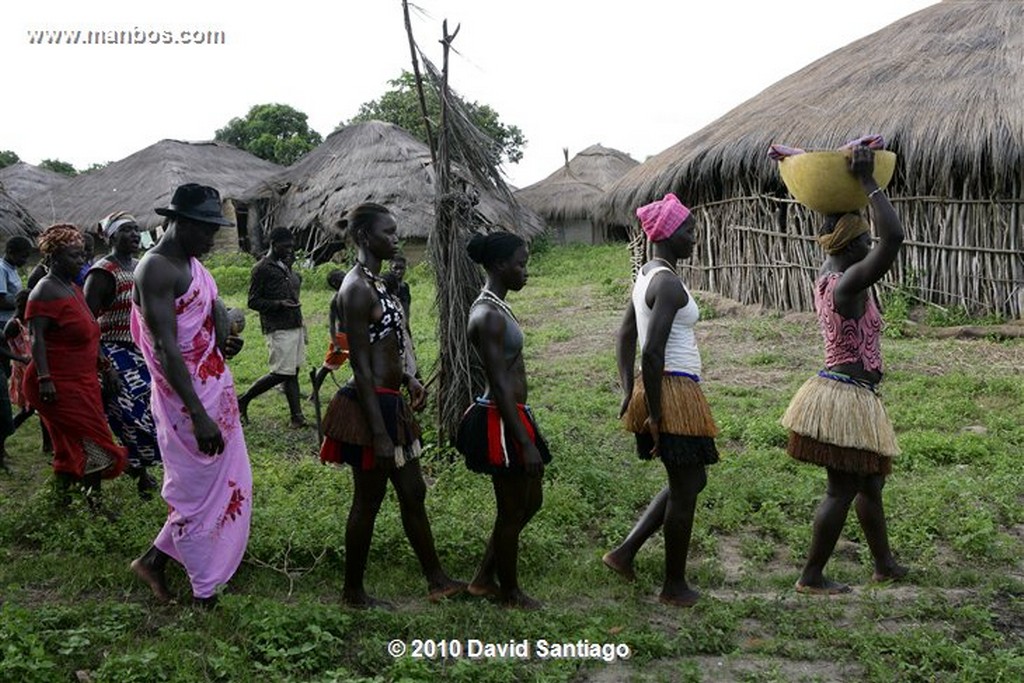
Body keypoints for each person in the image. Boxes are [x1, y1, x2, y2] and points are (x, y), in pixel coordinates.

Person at [319, 202, 464, 608]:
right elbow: (361, 366)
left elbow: (386, 349)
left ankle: (436, 579)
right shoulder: (355, 289)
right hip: (371, 407)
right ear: (365, 237)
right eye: (388, 233)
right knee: (368, 499)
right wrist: (379, 434)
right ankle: (352, 592)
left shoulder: (377, 283)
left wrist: (408, 377)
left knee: (413, 490)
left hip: (389, 399)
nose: (395, 239)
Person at [781, 146, 907, 594]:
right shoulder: (849, 283)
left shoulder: (830, 272)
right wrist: (870, 183)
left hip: (855, 393)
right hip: (847, 394)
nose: (871, 248)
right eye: (864, 243)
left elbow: (872, 236)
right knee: (842, 489)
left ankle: (884, 564)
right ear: (852, 245)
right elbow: (894, 239)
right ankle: (811, 575)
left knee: (870, 484)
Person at [129, 183, 251, 607]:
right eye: (205, 229)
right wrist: (198, 414)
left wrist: (223, 344)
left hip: (215, 388)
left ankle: (153, 562)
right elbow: (165, 346)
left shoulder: (191, 263)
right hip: (186, 401)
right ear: (180, 222)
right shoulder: (157, 268)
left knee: (226, 484)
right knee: (195, 492)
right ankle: (205, 589)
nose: (211, 238)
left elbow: (200, 325)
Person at [602, 194, 719, 607]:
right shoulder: (667, 283)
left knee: (690, 481)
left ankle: (624, 553)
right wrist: (652, 411)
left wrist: (625, 389)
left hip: (665, 389)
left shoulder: (647, 274)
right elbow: (650, 351)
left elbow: (624, 335)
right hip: (672, 391)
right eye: (688, 230)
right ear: (668, 234)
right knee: (686, 488)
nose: (694, 237)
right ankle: (673, 586)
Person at [457, 231, 550, 609]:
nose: (526, 272)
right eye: (520, 264)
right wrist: (524, 442)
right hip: (500, 417)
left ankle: (483, 578)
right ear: (499, 265)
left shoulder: (496, 308)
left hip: (513, 414)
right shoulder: (488, 315)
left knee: (530, 501)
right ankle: (509, 592)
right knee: (512, 508)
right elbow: (497, 382)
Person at [23, 224, 127, 503]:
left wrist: (105, 366)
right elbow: (36, 339)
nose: (82, 261)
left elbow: (89, 332)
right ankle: (94, 501)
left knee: (68, 443)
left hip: (82, 378)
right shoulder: (44, 291)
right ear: (54, 257)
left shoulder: (72, 287)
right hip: (55, 382)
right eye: (74, 256)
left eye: (82, 255)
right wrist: (46, 379)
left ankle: (62, 498)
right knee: (93, 440)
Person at [84, 212, 161, 499]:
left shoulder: (140, 267)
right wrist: (105, 366)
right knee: (132, 416)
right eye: (126, 230)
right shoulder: (103, 271)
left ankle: (139, 471)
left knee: (149, 413)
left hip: (140, 350)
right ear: (112, 237)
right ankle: (131, 471)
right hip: (112, 351)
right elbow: (88, 321)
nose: (133, 235)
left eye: (136, 230)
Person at [238, 227, 308, 429]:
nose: (289, 250)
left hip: (294, 323)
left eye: (292, 247)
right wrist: (278, 304)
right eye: (286, 246)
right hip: (278, 327)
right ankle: (243, 399)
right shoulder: (261, 268)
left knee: (292, 372)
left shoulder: (284, 266)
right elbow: (252, 301)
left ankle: (297, 417)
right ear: (273, 244)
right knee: (281, 372)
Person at [0, 236, 32, 471]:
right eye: (22, 255)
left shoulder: (10, 270)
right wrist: (24, 300)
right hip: (5, 329)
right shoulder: (1, 269)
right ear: (10, 251)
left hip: (14, 329)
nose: (24, 260)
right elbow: (1, 300)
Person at [310, 269, 349, 398]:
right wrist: (336, 343)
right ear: (335, 283)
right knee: (327, 367)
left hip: (355, 336)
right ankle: (314, 394)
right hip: (342, 337)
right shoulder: (336, 299)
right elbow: (332, 324)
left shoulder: (353, 293)